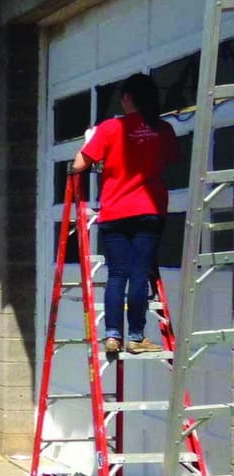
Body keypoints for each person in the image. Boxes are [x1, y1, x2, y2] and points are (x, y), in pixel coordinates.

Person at [74, 73, 178, 355]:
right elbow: (170, 160)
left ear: (127, 98)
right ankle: (135, 336)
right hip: (149, 210)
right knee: (139, 273)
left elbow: (79, 164)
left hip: (115, 211)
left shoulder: (110, 128)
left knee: (117, 274)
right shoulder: (163, 129)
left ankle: (112, 335)